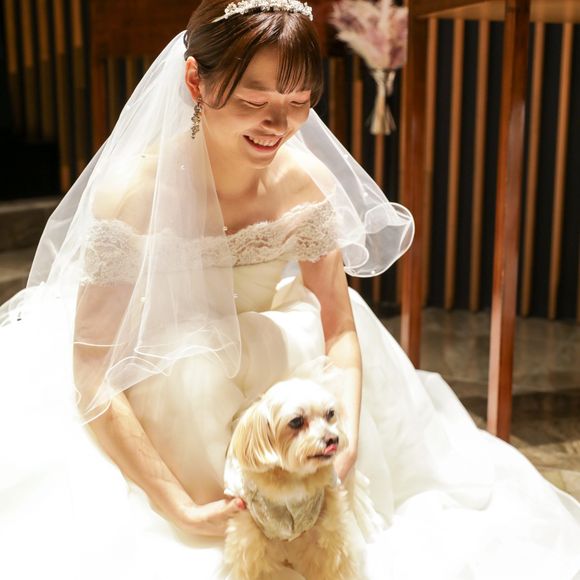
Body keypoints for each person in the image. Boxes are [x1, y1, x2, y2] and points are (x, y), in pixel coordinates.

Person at [0, 1, 579, 578]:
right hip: (166, 369)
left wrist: (346, 440)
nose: (278, 125)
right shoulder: (134, 194)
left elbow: (339, 327)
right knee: (191, 382)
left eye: (299, 102)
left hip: (279, 352)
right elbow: (93, 370)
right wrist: (177, 505)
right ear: (196, 80)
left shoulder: (304, 185)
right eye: (254, 102)